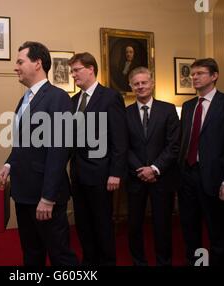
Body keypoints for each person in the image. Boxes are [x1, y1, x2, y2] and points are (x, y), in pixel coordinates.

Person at [0, 41, 78, 266]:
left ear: (38, 63)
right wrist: (9, 164)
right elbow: (22, 144)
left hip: (44, 196)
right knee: (32, 253)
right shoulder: (23, 99)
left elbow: (59, 149)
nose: (16, 67)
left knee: (60, 255)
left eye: (20, 61)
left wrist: (48, 198)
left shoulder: (58, 97)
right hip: (23, 193)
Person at [178, 58, 224, 266]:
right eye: (193, 74)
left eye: (200, 73)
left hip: (215, 179)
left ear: (214, 76)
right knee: (191, 230)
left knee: (217, 233)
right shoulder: (189, 106)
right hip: (187, 176)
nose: (194, 77)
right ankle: (198, 263)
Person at [68, 52, 127, 265]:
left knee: (102, 225)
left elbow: (120, 140)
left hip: (102, 175)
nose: (73, 75)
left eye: (76, 70)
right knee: (83, 225)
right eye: (72, 71)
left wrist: (115, 173)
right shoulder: (73, 101)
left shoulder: (110, 97)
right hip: (78, 174)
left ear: (91, 68)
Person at [125, 67, 180, 266]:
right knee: (134, 225)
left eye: (144, 82)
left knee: (162, 225)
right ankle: (139, 262)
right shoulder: (125, 113)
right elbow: (123, 147)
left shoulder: (168, 109)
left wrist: (155, 168)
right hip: (135, 177)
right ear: (131, 86)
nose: (140, 87)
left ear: (152, 83)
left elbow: (173, 145)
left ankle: (163, 261)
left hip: (162, 177)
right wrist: (141, 169)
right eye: (136, 83)